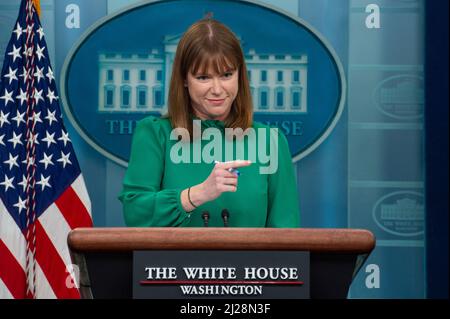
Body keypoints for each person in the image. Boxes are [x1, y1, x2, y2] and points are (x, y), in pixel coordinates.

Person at [118, 18, 300, 227]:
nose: (216, 89)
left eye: (226, 75)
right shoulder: (154, 134)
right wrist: (199, 193)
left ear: (240, 76)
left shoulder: (271, 142)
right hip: (171, 261)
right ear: (185, 79)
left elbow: (286, 233)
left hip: (251, 261)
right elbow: (135, 214)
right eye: (203, 77)